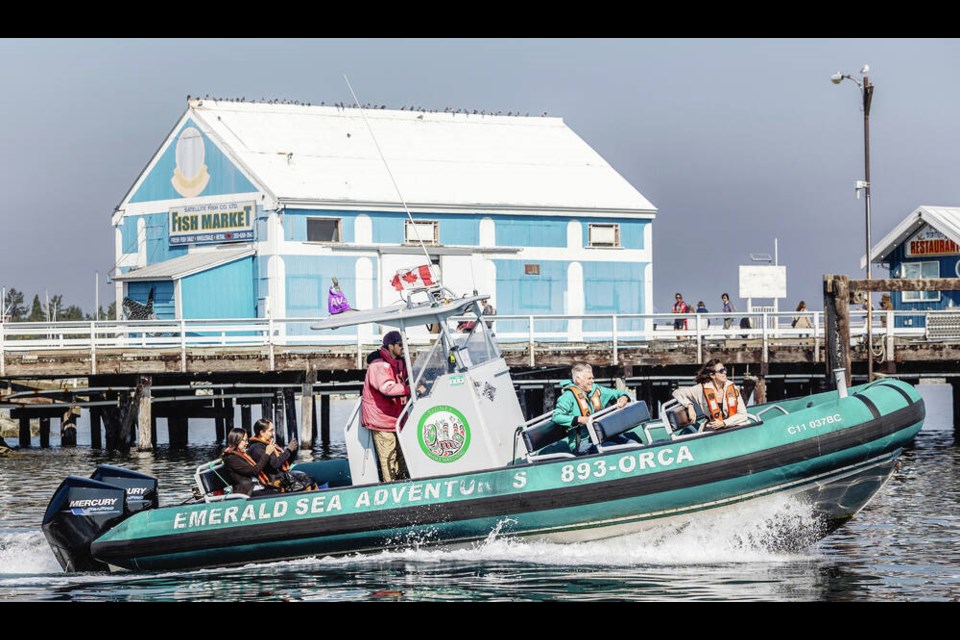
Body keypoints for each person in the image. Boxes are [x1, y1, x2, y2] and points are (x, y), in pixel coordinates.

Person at [362, 330, 424, 482]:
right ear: (390, 346)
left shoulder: (399, 363)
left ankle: (403, 482)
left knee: (402, 454)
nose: (404, 347)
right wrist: (411, 389)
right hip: (382, 420)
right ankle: (390, 487)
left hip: (396, 418)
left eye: (405, 343)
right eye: (400, 344)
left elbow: (405, 381)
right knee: (388, 456)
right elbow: (387, 388)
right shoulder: (378, 365)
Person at [552, 363, 631, 455]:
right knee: (612, 447)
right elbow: (556, 416)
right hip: (582, 443)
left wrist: (624, 398)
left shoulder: (596, 390)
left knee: (631, 444)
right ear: (578, 380)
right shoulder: (568, 396)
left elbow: (618, 393)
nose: (592, 381)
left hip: (601, 435)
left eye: (592, 378)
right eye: (589, 379)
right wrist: (580, 419)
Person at [671, 359, 749, 430]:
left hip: (733, 426)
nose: (725, 372)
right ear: (712, 375)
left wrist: (724, 423)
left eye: (725, 369)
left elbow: (743, 414)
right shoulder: (700, 389)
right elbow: (677, 393)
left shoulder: (733, 388)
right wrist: (689, 405)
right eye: (721, 371)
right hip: (713, 429)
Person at [247, 418, 316, 492]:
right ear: (262, 432)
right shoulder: (256, 448)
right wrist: (288, 450)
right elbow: (274, 465)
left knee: (308, 479)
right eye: (271, 431)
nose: (273, 433)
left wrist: (292, 452)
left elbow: (283, 464)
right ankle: (310, 497)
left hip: (281, 476)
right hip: (272, 481)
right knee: (307, 481)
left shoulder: (268, 444)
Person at [220, 427, 279, 496]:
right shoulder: (231, 459)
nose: (247, 443)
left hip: (256, 487)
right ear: (237, 440)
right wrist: (267, 454)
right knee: (277, 494)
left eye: (247, 440)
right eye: (244, 441)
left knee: (281, 488)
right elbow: (254, 470)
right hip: (247, 492)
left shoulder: (242, 455)